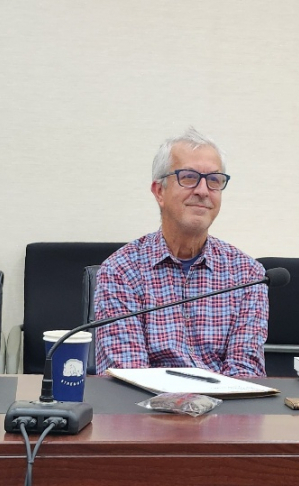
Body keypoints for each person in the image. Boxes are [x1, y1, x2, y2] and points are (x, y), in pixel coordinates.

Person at [92, 128, 268, 377]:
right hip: (146, 410)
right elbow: (127, 374)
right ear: (159, 191)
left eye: (214, 180)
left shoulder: (248, 274)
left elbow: (246, 371)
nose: (203, 191)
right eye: (188, 177)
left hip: (226, 410)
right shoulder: (121, 270)